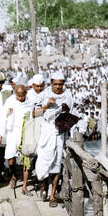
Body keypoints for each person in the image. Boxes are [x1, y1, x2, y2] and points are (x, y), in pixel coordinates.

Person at [34, 72, 73, 207]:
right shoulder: (44, 94)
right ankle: (44, 186)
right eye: (55, 84)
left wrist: (65, 111)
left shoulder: (67, 94)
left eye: (60, 84)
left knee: (56, 164)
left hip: (59, 132)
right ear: (51, 83)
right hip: (46, 131)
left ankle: (52, 195)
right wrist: (46, 105)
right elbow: (34, 113)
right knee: (44, 162)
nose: (57, 87)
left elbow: (70, 112)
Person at [3, 85, 34, 195]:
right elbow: (3, 116)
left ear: (26, 94)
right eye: (18, 96)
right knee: (11, 159)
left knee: (26, 158)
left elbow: (32, 116)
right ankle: (14, 175)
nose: (21, 98)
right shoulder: (10, 101)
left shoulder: (30, 102)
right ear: (15, 94)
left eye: (23, 95)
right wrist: (8, 114)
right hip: (13, 131)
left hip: (26, 131)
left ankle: (24, 186)